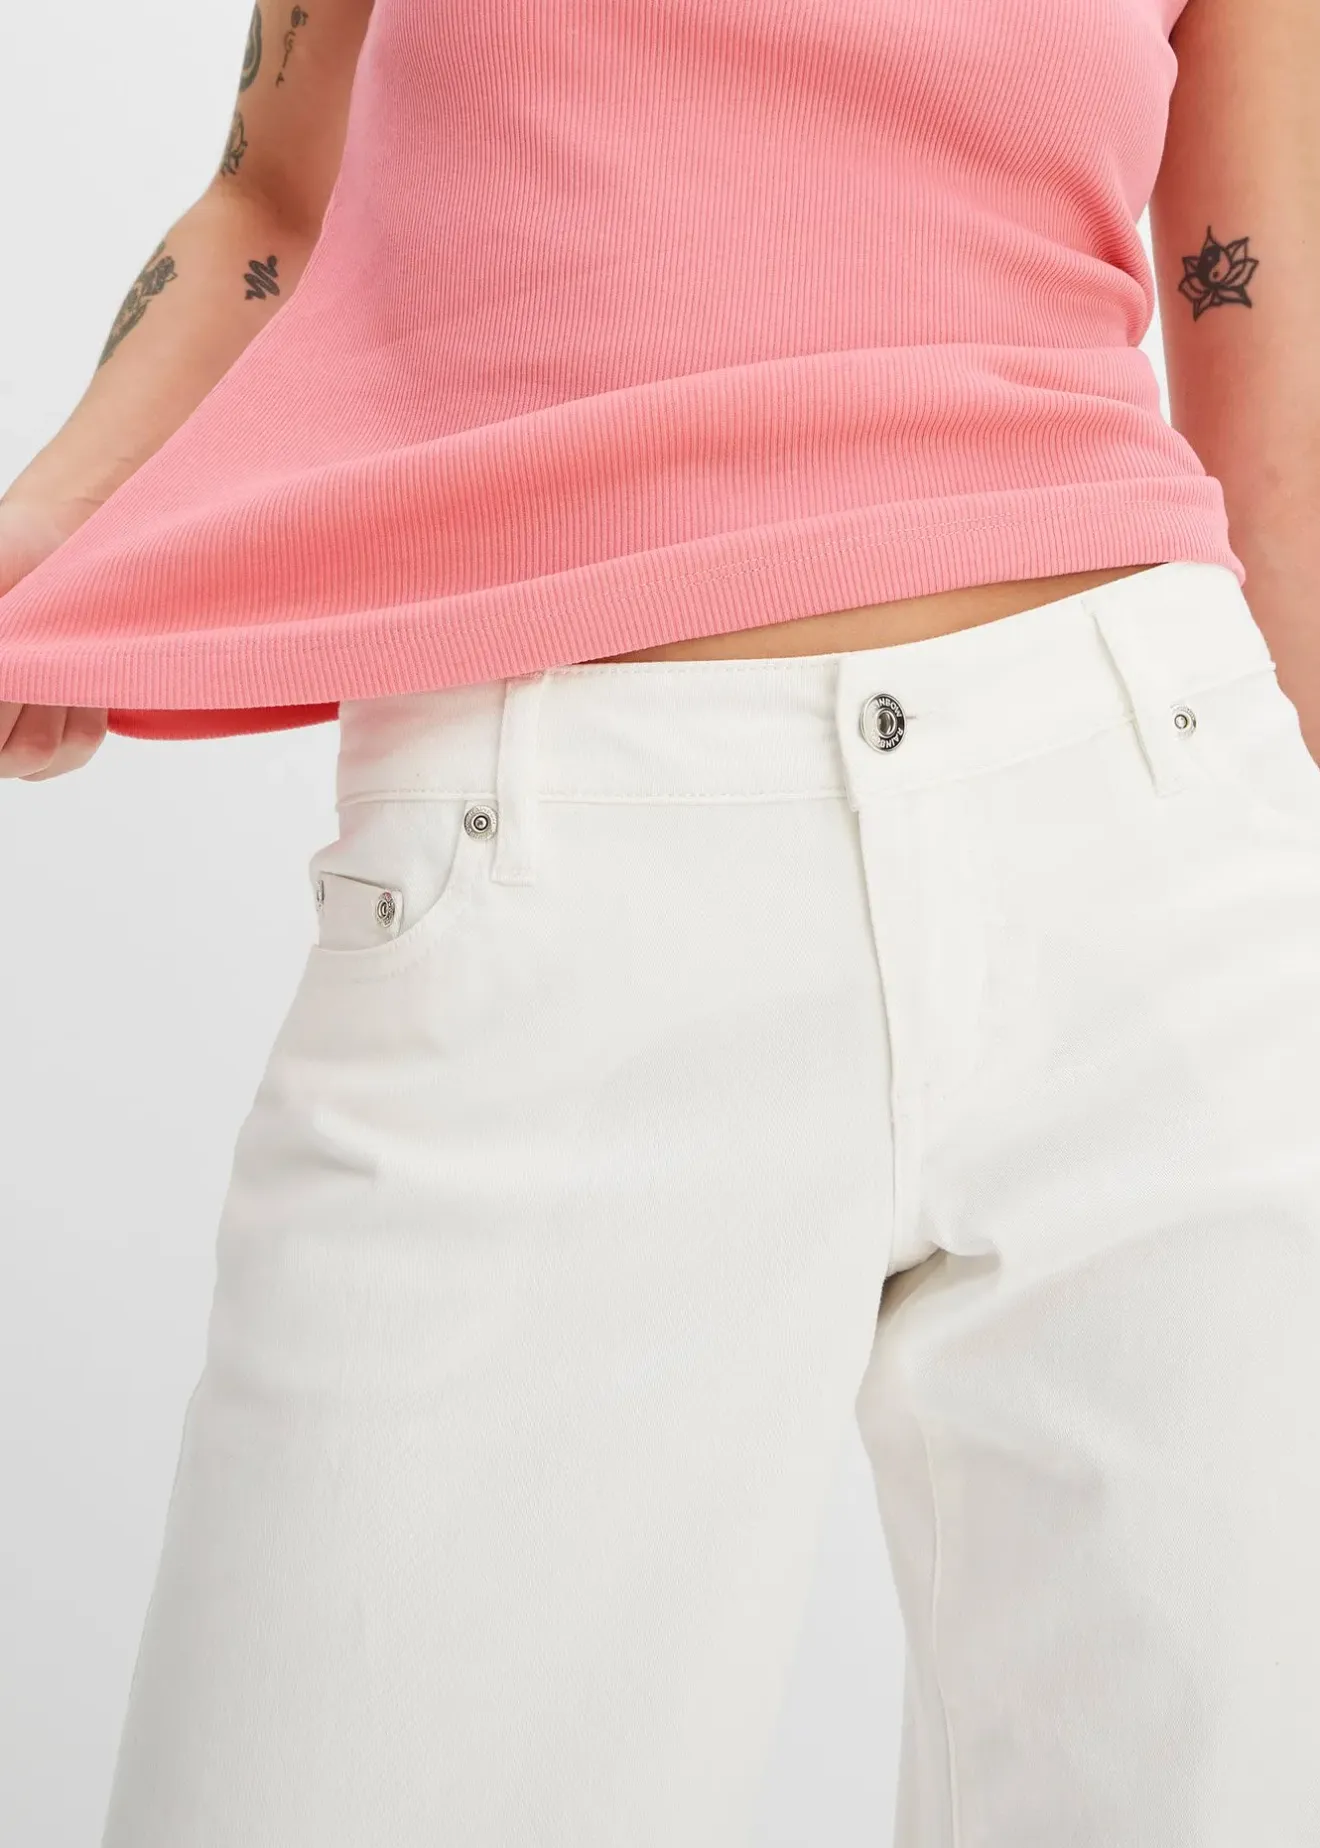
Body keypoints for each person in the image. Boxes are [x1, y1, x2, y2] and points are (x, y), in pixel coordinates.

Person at [2, 1, 1318, 1842]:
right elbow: (270, 199)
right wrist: (47, 530)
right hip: (555, 863)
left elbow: (1268, 375)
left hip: (1155, 864)